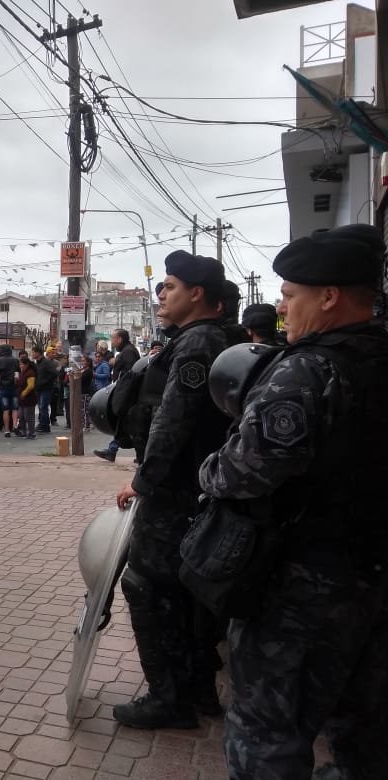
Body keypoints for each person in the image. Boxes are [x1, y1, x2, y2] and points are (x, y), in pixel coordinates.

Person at [198, 225, 388, 778]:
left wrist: (206, 469)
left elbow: (244, 470)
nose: (283, 310)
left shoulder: (307, 369)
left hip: (301, 585)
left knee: (267, 734)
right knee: (365, 726)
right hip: (373, 574)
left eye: (290, 295)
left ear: (328, 296)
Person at [112, 250, 230, 729]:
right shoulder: (207, 339)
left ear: (197, 294)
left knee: (145, 586)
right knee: (188, 593)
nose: (161, 295)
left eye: (171, 287)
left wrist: (141, 481)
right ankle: (198, 688)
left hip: (176, 495)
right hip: (198, 492)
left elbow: (172, 422)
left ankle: (168, 698)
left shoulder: (196, 344)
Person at [94, 329, 141, 462]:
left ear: (120, 339)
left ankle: (135, 454)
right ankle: (113, 450)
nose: (112, 342)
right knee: (124, 425)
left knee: (128, 425)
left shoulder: (128, 352)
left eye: (114, 339)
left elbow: (130, 375)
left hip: (127, 395)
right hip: (125, 393)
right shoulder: (126, 351)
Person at [0, 346, 20, 437]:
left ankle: (7, 430)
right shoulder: (15, 360)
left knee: (5, 409)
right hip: (14, 387)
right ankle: (15, 425)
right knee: (15, 409)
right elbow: (17, 373)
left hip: (3, 388)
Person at [15, 355, 38, 438]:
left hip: (29, 398)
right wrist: (17, 381)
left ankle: (32, 432)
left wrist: (24, 393)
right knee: (21, 415)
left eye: (22, 364)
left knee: (28, 416)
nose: (20, 366)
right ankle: (23, 431)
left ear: (27, 364)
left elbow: (31, 386)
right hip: (22, 398)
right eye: (20, 364)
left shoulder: (30, 373)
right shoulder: (22, 372)